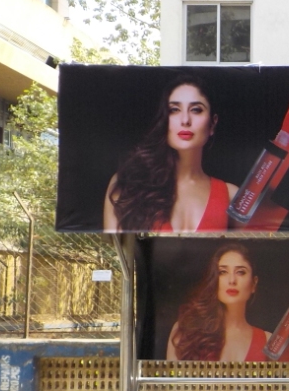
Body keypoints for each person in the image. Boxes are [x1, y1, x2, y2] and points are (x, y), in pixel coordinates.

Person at [104, 75, 238, 231]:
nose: (185, 120)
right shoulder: (128, 184)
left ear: (213, 124)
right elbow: (114, 245)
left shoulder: (232, 197)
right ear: (164, 118)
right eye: (174, 110)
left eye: (196, 110)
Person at [166, 243, 269, 362]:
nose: (232, 280)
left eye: (240, 272)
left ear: (254, 284)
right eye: (223, 272)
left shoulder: (268, 342)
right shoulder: (185, 331)